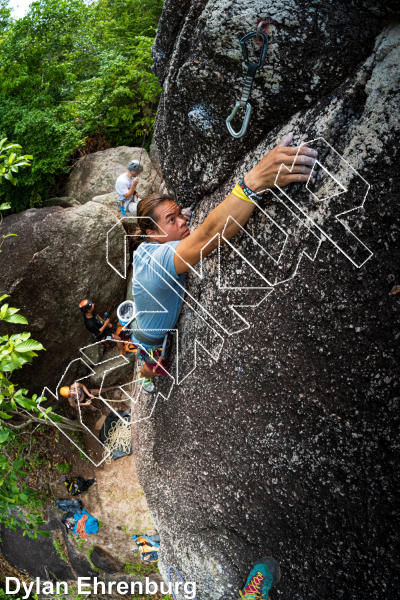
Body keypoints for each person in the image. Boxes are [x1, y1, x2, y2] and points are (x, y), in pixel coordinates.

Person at [131, 132, 317, 392]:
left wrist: (179, 216)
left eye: (179, 214)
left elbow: (187, 226)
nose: (183, 222)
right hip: (151, 336)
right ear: (152, 234)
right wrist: (254, 181)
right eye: (171, 220)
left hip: (146, 321)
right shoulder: (156, 260)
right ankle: (143, 375)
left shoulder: (151, 245)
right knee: (154, 366)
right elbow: (207, 236)